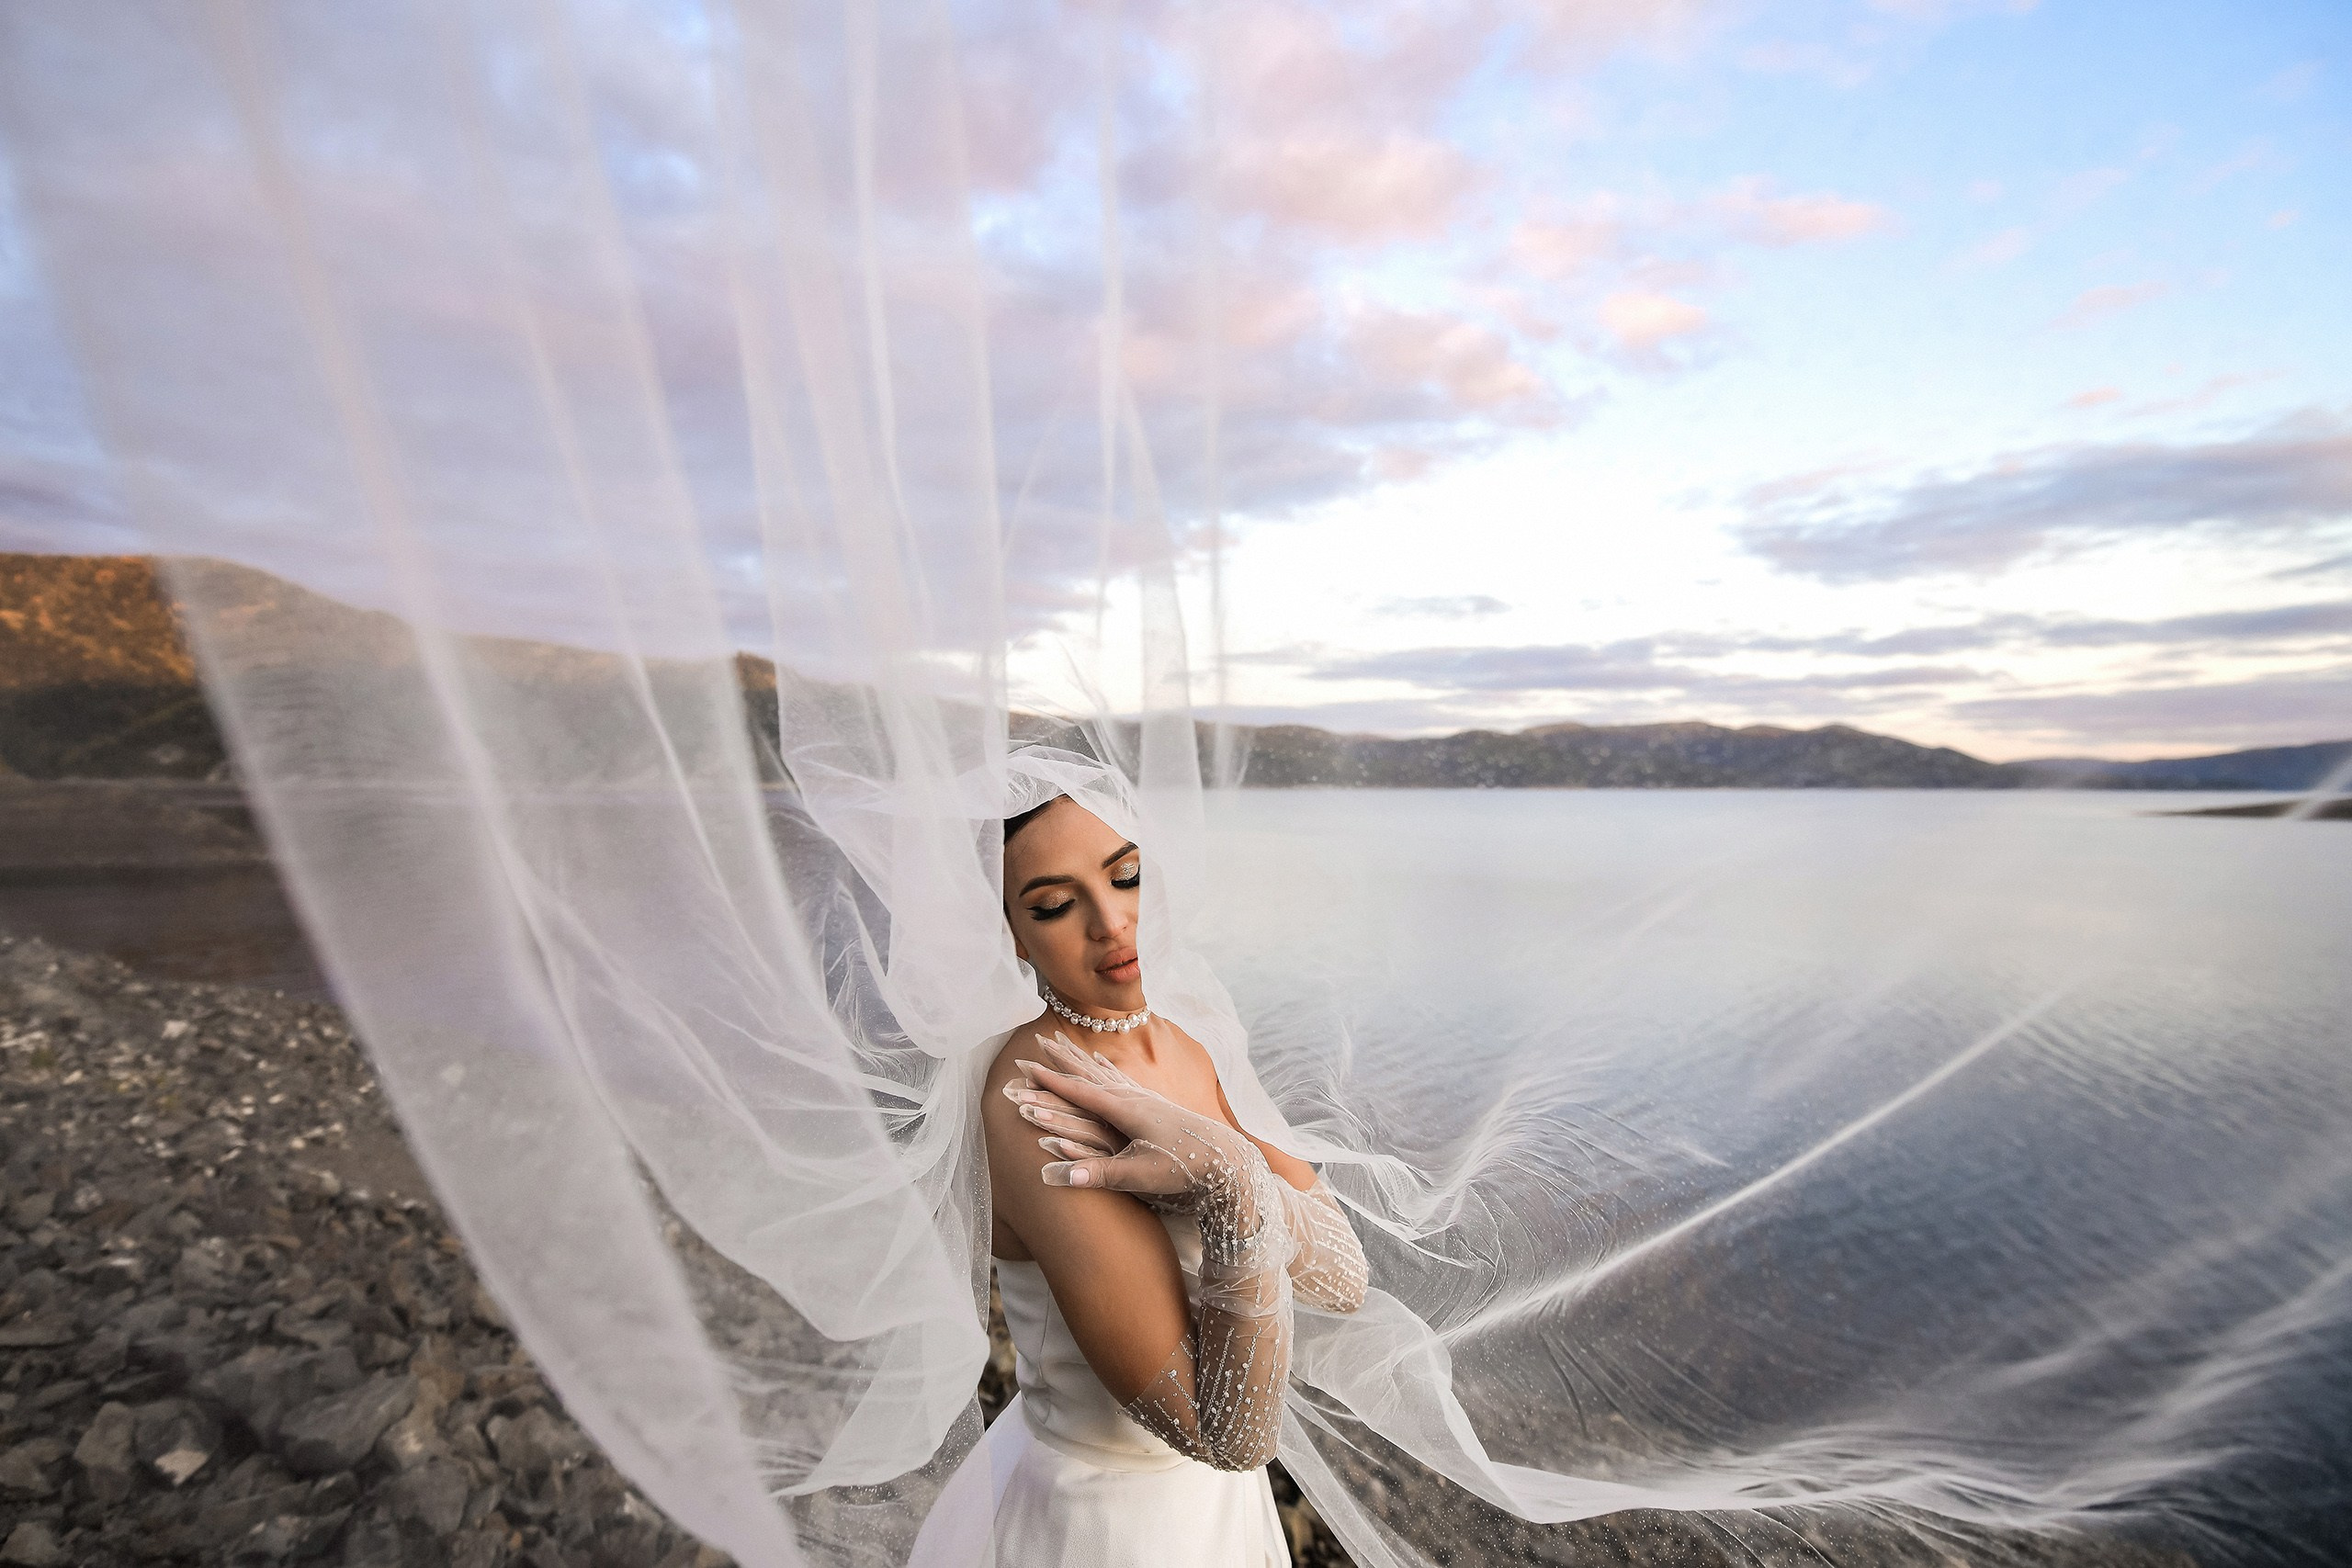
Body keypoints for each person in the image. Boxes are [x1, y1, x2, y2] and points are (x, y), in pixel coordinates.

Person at [973, 792, 1369, 1565]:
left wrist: (1226, 1175)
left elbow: (1344, 1278)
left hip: (1217, 1514)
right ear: (1012, 935)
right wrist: (1231, 1185)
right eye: (1054, 904)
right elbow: (1230, 1434)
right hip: (1109, 1523)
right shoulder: (1033, 1101)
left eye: (1127, 877)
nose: (1112, 922)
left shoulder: (1188, 1040)